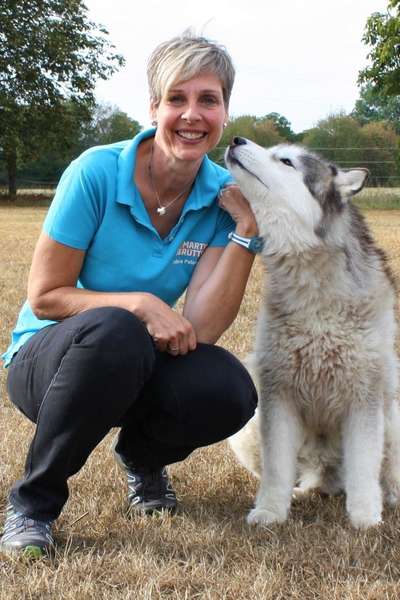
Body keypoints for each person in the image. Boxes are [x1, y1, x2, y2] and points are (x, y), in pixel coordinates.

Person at [0, 33, 260, 557]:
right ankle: (31, 505)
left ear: (225, 112)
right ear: (153, 107)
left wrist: (247, 230)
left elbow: (202, 329)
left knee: (229, 387)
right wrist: (139, 303)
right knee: (118, 328)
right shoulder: (96, 171)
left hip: (139, 360)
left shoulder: (220, 198)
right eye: (177, 99)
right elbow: (47, 296)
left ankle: (142, 459)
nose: (192, 114)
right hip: (48, 363)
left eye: (208, 99)